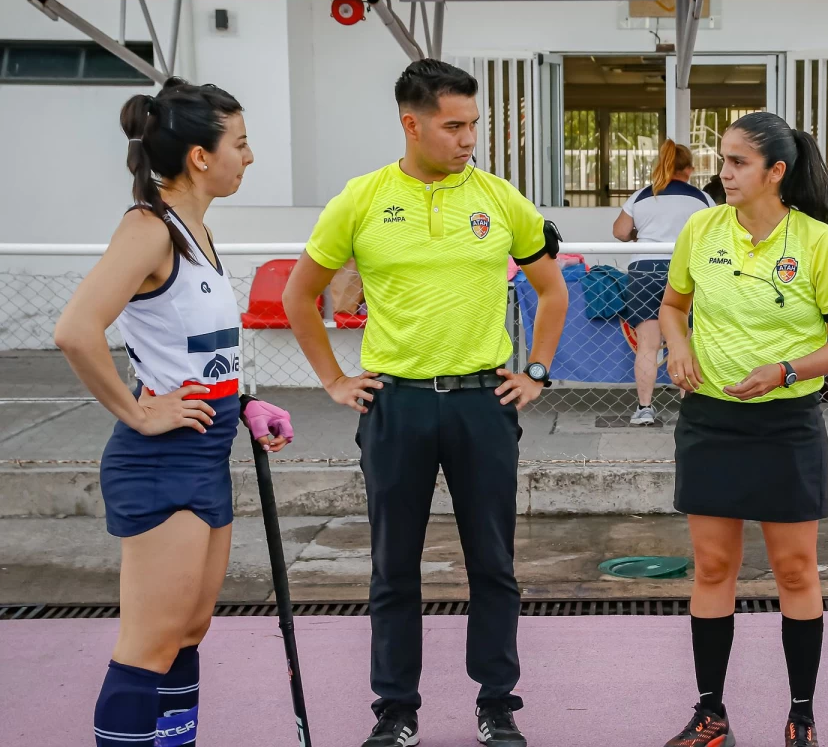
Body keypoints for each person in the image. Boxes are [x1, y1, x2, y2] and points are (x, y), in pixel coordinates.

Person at [282, 58, 569, 747]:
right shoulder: (361, 198)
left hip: (482, 403)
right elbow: (300, 296)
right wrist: (333, 380)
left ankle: (497, 704)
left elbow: (552, 291)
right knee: (393, 568)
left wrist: (535, 372)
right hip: (396, 405)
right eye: (453, 125)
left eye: (474, 124)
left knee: (493, 564)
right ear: (411, 124)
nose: (468, 138)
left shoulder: (501, 199)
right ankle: (396, 710)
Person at [54, 78, 295, 747]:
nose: (249, 157)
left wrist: (243, 403)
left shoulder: (197, 232)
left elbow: (190, 353)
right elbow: (76, 329)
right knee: (148, 644)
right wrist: (137, 412)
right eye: (240, 144)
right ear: (198, 155)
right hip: (160, 459)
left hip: (206, 446)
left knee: (188, 632)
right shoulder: (148, 228)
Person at [659, 112, 828, 747]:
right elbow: (672, 305)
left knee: (797, 572)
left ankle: (801, 717)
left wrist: (783, 371)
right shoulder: (701, 227)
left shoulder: (818, 242)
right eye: (722, 160)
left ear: (777, 172)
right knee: (713, 565)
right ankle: (710, 715)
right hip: (710, 420)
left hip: (786, 424)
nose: (724, 173)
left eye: (738, 162)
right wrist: (676, 346)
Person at [613, 139, 714, 425]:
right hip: (683, 270)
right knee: (684, 340)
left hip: (644, 269)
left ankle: (644, 408)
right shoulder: (701, 198)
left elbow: (620, 232)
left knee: (647, 343)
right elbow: (714, 235)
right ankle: (688, 409)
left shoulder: (642, 196)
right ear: (690, 169)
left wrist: (640, 236)